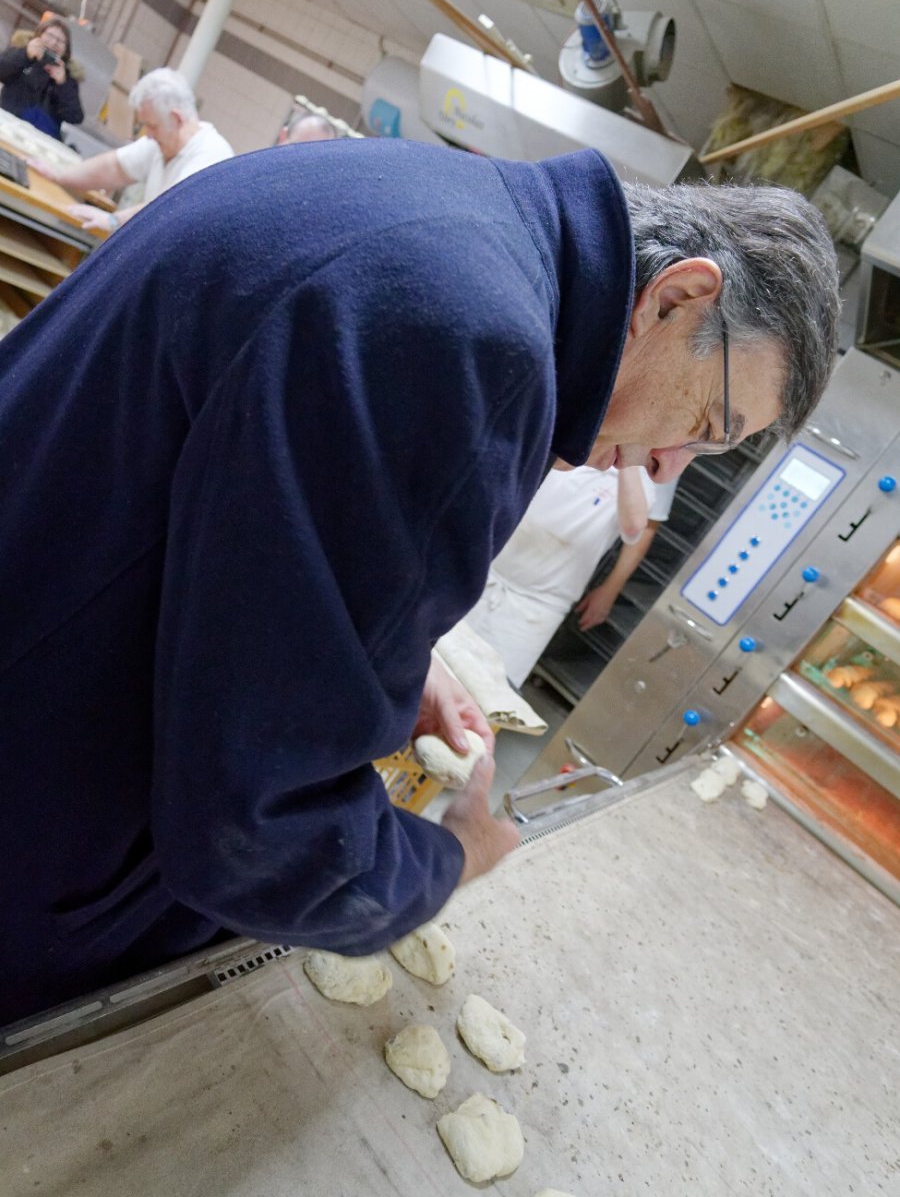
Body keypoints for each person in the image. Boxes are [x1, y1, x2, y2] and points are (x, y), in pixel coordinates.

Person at [0, 139, 839, 1025]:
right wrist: (441, 861)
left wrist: (384, 646)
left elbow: (240, 511)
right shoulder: (481, 343)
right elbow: (255, 831)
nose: (668, 465)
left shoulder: (444, 211)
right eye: (706, 423)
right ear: (677, 297)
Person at [465, 466, 677, 687]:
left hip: (537, 605)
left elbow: (637, 528)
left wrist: (629, 460)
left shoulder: (646, 473)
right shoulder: (576, 442)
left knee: (492, 690)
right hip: (485, 570)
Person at [28, 66, 232, 232]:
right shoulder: (162, 141)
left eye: (151, 126)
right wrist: (59, 176)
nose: (148, 134)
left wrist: (113, 221)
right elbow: (113, 167)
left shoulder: (212, 155)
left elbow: (172, 207)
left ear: (177, 118)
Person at [0, 16, 84, 140]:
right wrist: (26, 55)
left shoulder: (67, 78)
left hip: (40, 141)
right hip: (7, 128)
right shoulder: (20, 54)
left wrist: (62, 84)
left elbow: (75, 117)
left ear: (66, 49)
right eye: (50, 36)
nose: (54, 43)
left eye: (60, 41)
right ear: (39, 35)